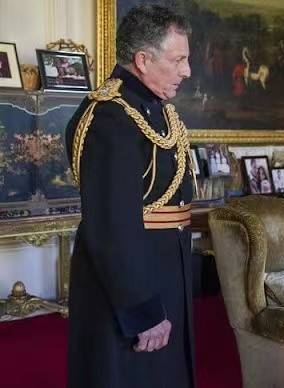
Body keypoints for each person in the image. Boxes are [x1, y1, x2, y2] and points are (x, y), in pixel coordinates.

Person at [64, 6, 194, 388]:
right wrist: (143, 310)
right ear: (143, 60)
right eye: (179, 59)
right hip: (128, 289)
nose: (187, 70)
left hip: (164, 272)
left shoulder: (155, 111)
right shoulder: (109, 118)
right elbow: (111, 226)